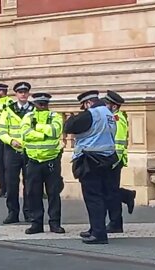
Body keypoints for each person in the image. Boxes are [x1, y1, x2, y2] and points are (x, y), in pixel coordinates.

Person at [64, 90, 117, 244]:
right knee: (101, 195)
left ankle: (99, 234)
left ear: (88, 103)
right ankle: (95, 228)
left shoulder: (92, 114)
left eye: (84, 106)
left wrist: (73, 117)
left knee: (93, 198)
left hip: (90, 161)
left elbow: (69, 126)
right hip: (107, 160)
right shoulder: (108, 114)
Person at [21, 93, 65, 234]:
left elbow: (54, 131)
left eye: (45, 104)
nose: (43, 106)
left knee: (53, 193)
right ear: (35, 104)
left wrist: (37, 129)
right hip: (33, 161)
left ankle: (55, 223)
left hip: (51, 160)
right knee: (33, 193)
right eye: (40, 104)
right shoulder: (28, 117)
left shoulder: (55, 116)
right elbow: (25, 134)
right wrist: (43, 133)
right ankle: (36, 223)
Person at [0, 82, 35, 224]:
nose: (23, 94)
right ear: (16, 94)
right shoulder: (8, 110)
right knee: (11, 183)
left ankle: (29, 212)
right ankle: (12, 212)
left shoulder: (34, 109)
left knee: (30, 182)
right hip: (11, 149)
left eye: (25, 92)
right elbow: (1, 131)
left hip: (29, 150)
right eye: (20, 92)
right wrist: (11, 140)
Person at [102, 90, 137, 233]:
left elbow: (119, 142)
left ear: (114, 106)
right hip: (109, 159)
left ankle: (116, 223)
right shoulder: (110, 117)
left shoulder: (118, 119)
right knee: (109, 191)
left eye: (107, 104)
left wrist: (114, 160)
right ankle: (126, 195)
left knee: (110, 193)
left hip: (114, 160)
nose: (104, 106)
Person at [0, 83, 14, 198]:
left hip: (6, 137)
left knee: (7, 164)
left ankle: (8, 189)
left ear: (1, 91)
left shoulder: (8, 102)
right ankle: (2, 188)